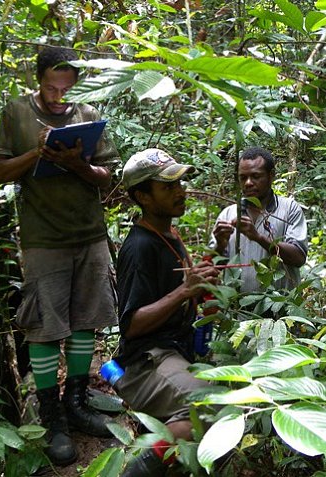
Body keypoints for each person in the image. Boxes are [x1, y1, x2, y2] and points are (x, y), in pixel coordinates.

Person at [0, 46, 119, 466]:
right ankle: (51, 414)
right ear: (39, 78)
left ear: (76, 83)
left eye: (66, 87)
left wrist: (77, 163)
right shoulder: (16, 113)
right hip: (44, 237)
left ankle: (77, 401)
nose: (58, 95)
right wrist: (38, 154)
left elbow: (107, 178)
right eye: (50, 86)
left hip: (90, 234)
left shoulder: (87, 114)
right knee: (45, 325)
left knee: (86, 320)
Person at [115, 148, 220, 476]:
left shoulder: (169, 234)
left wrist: (200, 288)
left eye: (181, 183)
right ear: (142, 196)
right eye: (168, 186)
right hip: (144, 361)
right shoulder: (139, 247)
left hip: (176, 348)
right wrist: (183, 292)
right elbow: (130, 325)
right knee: (209, 406)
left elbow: (181, 294)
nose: (180, 191)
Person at [210, 147, 308, 293]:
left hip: (280, 310)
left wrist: (258, 237)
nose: (248, 183)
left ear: (271, 175)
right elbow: (212, 266)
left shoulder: (288, 209)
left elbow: (298, 257)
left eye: (256, 176)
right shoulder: (228, 214)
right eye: (243, 178)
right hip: (237, 311)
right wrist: (219, 245)